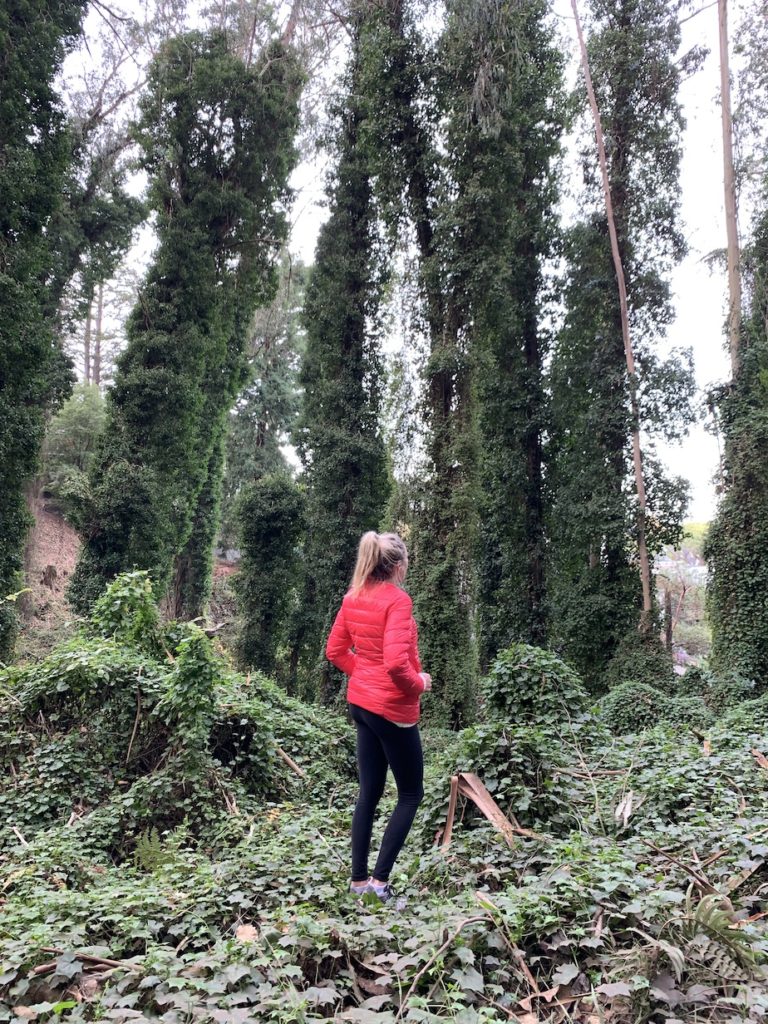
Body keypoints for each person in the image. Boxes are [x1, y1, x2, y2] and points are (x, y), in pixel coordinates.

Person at [325, 530, 431, 902]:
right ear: (398, 566)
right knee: (411, 794)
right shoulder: (397, 601)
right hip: (391, 709)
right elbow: (396, 665)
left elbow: (335, 651)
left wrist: (365, 675)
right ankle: (379, 884)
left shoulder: (354, 596)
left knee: (369, 791)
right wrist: (420, 682)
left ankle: (357, 882)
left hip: (361, 704)